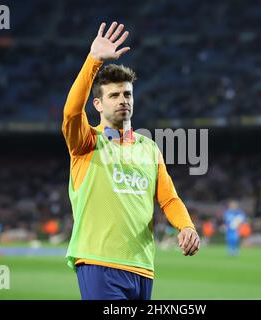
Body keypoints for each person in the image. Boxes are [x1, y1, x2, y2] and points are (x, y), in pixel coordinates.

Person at [62, 21, 200, 300]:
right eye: (113, 95)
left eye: (127, 94)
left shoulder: (149, 148)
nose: (122, 99)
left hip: (142, 268)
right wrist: (93, 61)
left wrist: (187, 226)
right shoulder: (87, 142)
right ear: (98, 104)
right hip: (99, 263)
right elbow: (71, 113)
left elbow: (169, 199)